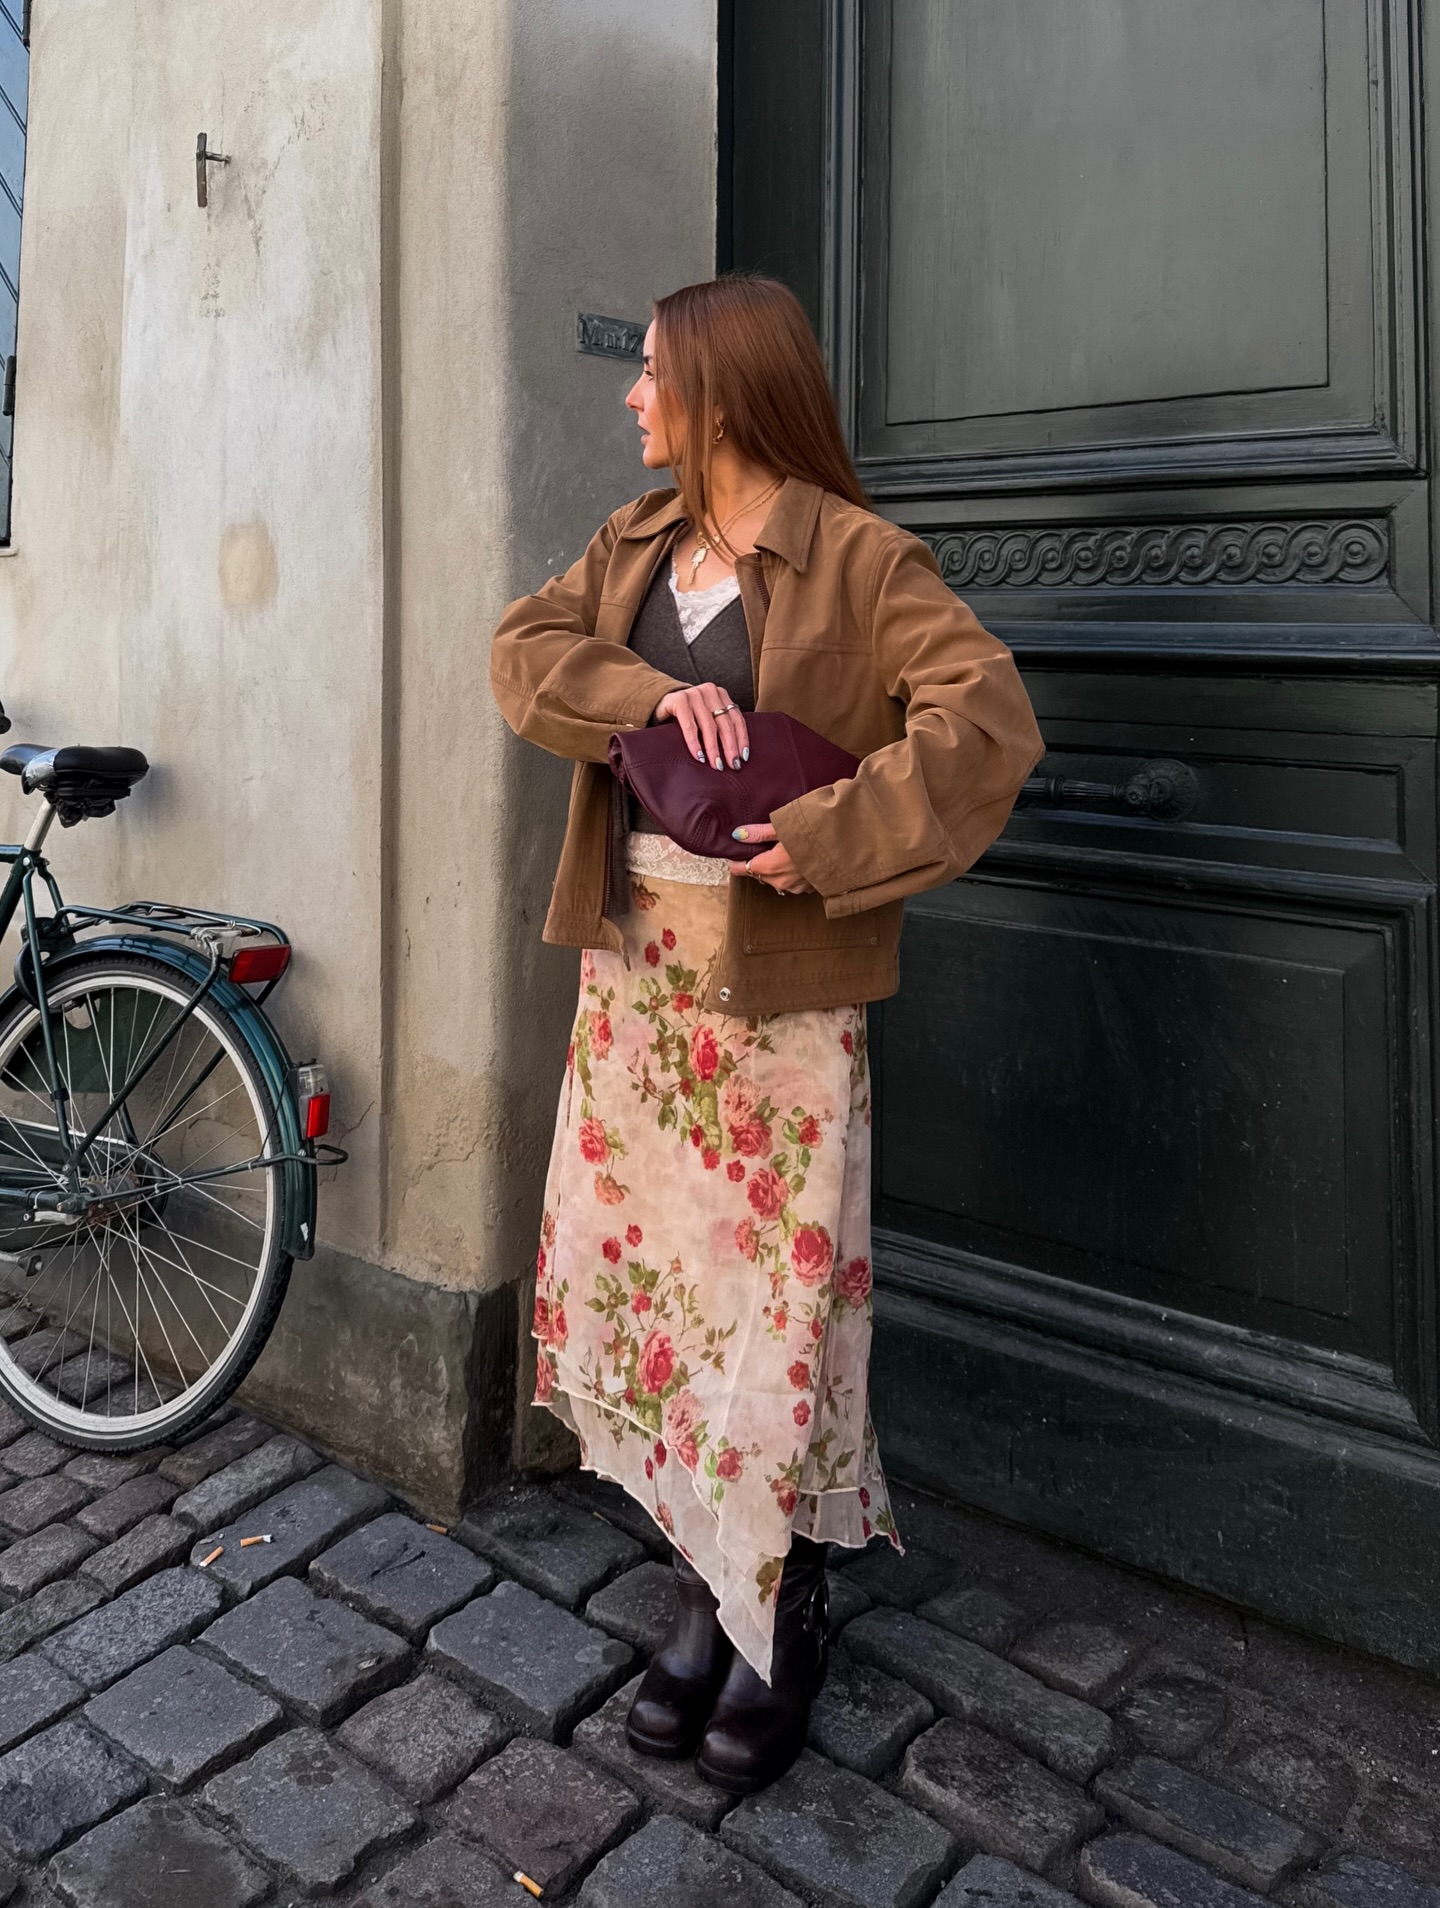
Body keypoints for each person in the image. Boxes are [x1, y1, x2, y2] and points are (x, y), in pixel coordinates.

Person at [490, 274, 1042, 1792]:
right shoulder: (635, 546)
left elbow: (987, 722)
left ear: (722, 393)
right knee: (660, 1302)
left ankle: (779, 1600)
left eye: (653, 375)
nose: (633, 398)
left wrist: (833, 831)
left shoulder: (860, 558)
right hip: (636, 989)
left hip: (778, 1014)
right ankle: (708, 1576)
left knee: (770, 1316)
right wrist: (656, 696)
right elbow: (525, 651)